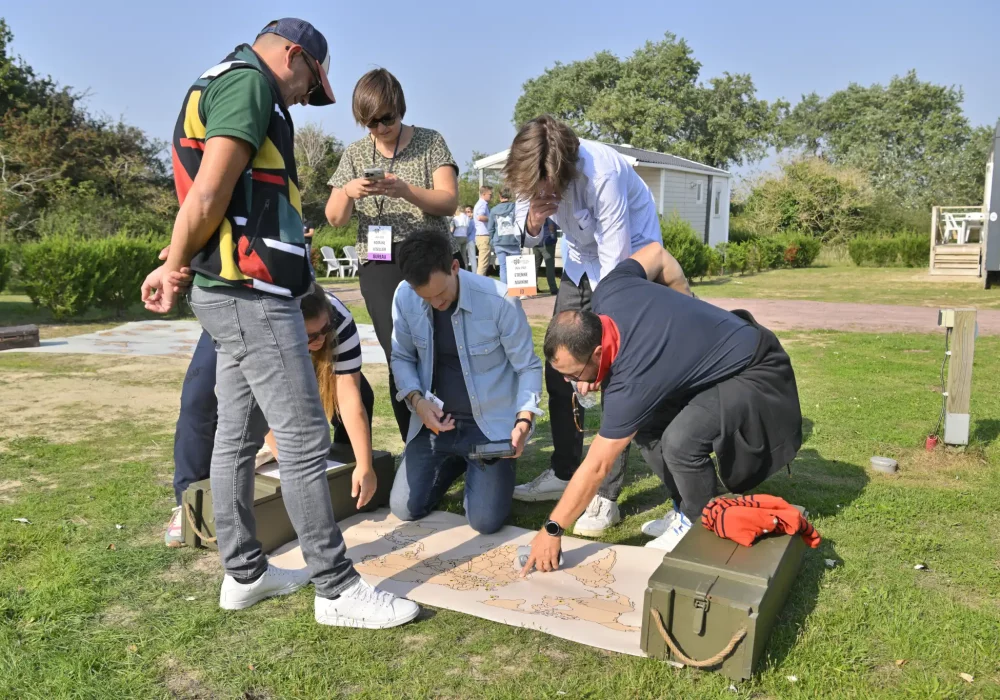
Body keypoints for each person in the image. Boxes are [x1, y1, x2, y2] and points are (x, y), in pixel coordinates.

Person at [141, 19, 418, 628]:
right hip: (253, 293)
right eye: (307, 84)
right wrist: (178, 261)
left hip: (236, 290)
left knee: (236, 439)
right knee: (301, 438)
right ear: (292, 55)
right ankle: (337, 588)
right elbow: (210, 192)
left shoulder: (220, 82)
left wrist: (183, 257)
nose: (301, 97)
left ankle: (245, 574)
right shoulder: (249, 86)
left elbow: (213, 197)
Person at [520, 243, 802, 574]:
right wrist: (687, 300)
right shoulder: (610, 291)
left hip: (755, 369)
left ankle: (700, 526)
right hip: (723, 357)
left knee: (681, 442)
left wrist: (552, 529)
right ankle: (684, 507)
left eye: (574, 374)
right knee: (650, 427)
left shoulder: (633, 380)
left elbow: (597, 466)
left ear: (597, 352)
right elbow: (656, 253)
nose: (575, 383)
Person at [503, 115, 663, 537]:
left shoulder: (602, 173)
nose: (542, 192)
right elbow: (529, 236)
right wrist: (535, 220)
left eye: (549, 186)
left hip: (632, 258)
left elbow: (616, 274)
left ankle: (605, 494)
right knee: (560, 362)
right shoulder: (531, 169)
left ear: (567, 167)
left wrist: (599, 354)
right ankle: (564, 469)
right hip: (578, 263)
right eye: (533, 187)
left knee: (614, 370)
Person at [166, 282, 378, 545]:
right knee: (197, 402)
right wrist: (288, 459)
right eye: (311, 337)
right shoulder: (262, 329)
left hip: (275, 322)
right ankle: (185, 503)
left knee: (363, 394)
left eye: (324, 330)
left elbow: (348, 394)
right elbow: (256, 403)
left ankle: (344, 475)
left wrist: (364, 465)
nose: (322, 339)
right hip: (233, 318)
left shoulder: (338, 318)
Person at [325, 68, 460, 441]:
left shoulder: (431, 142)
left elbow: (449, 201)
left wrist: (406, 190)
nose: (381, 128)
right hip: (380, 262)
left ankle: (456, 434)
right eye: (370, 122)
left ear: (400, 108)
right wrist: (348, 191)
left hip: (428, 255)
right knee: (397, 353)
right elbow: (335, 219)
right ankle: (416, 443)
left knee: (444, 347)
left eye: (388, 118)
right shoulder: (354, 154)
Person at [389, 231, 542, 534]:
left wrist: (524, 420)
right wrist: (418, 402)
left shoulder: (500, 300)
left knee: (484, 522)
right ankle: (457, 461)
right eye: (426, 297)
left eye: (440, 293)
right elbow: (402, 358)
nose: (436, 302)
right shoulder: (404, 296)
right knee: (405, 508)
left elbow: (528, 367)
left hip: (488, 428)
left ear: (455, 267)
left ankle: (479, 464)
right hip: (435, 425)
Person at [487, 188, 521, 286]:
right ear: (510, 196)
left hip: (499, 242)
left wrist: (492, 241)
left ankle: (505, 289)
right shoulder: (515, 208)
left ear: (500, 196)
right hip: (513, 241)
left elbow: (490, 228)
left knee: (503, 267)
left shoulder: (493, 210)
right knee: (516, 267)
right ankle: (517, 288)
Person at [534, 217, 559, 294]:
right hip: (547, 242)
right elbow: (551, 226)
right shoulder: (549, 213)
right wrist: (553, 239)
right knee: (550, 266)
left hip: (536, 241)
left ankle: (533, 287)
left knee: (535, 266)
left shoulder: (535, 211)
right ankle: (553, 288)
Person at [473, 186, 493, 275]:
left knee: (483, 262)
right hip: (483, 236)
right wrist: (491, 219)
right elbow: (480, 217)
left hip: (481, 236)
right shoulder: (482, 204)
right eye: (490, 194)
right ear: (484, 194)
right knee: (483, 263)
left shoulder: (481, 204)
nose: (491, 196)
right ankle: (478, 284)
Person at [464, 205, 477, 271]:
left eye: (468, 212)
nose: (467, 213)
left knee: (472, 257)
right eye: (466, 212)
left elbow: (467, 232)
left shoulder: (472, 221)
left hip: (470, 240)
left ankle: (474, 272)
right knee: (467, 257)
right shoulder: (467, 220)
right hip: (467, 240)